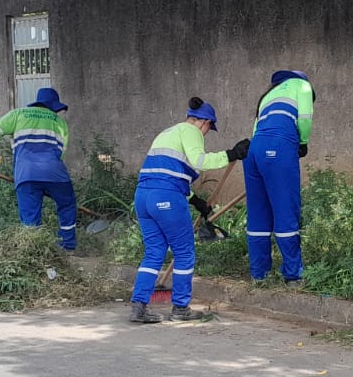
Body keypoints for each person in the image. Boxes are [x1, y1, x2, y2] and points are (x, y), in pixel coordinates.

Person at [128, 97, 252, 323]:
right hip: (167, 197)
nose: (205, 133)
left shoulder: (167, 133)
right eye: (208, 128)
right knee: (184, 253)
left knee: (154, 252)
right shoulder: (190, 130)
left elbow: (167, 173)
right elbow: (200, 160)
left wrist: (196, 201)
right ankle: (180, 309)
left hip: (144, 196)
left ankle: (138, 307)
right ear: (203, 122)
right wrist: (231, 154)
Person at [0, 88, 79, 250]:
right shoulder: (60, 123)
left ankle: (32, 250)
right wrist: (49, 182)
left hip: (27, 175)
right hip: (56, 174)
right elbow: (61, 153)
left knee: (30, 217)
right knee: (67, 205)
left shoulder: (18, 114)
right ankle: (68, 245)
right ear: (54, 106)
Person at [244, 70, 314, 285]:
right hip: (279, 146)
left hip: (253, 151)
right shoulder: (302, 86)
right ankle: (293, 275)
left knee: (258, 214)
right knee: (285, 209)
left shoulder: (267, 97)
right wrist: (302, 142)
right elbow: (304, 118)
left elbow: (256, 129)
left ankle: (259, 275)